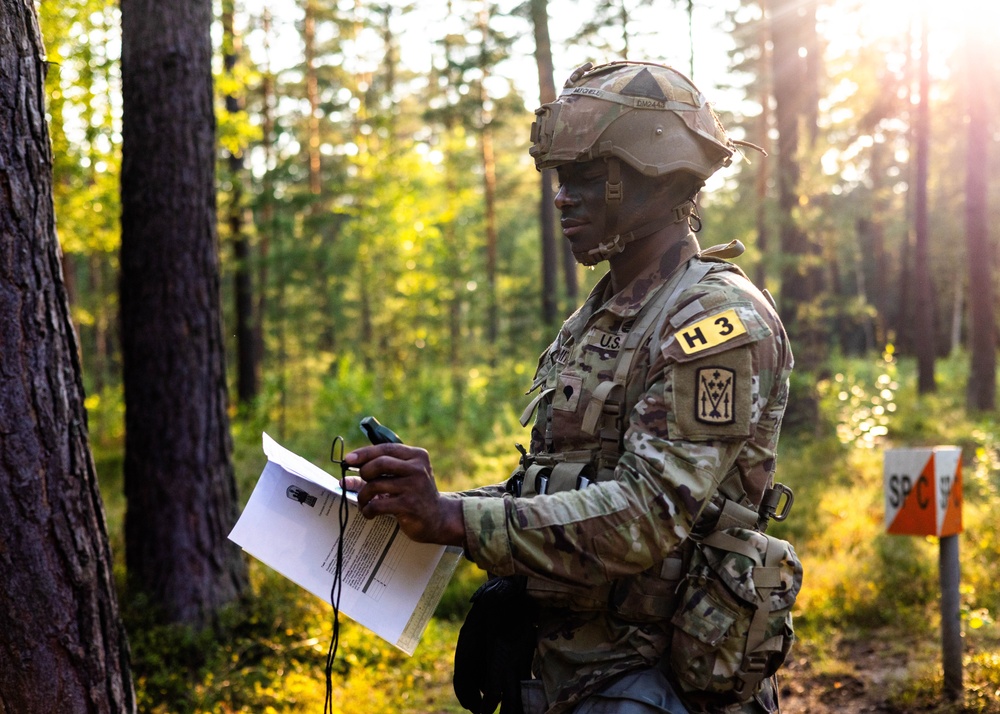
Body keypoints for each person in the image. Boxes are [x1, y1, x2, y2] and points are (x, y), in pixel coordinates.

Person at [344, 60, 796, 714]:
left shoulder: (715, 323)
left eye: (587, 176)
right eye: (559, 178)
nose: (561, 196)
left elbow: (648, 514)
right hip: (571, 670)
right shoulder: (601, 315)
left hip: (659, 681)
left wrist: (455, 519)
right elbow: (562, 479)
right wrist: (431, 501)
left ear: (656, 174)